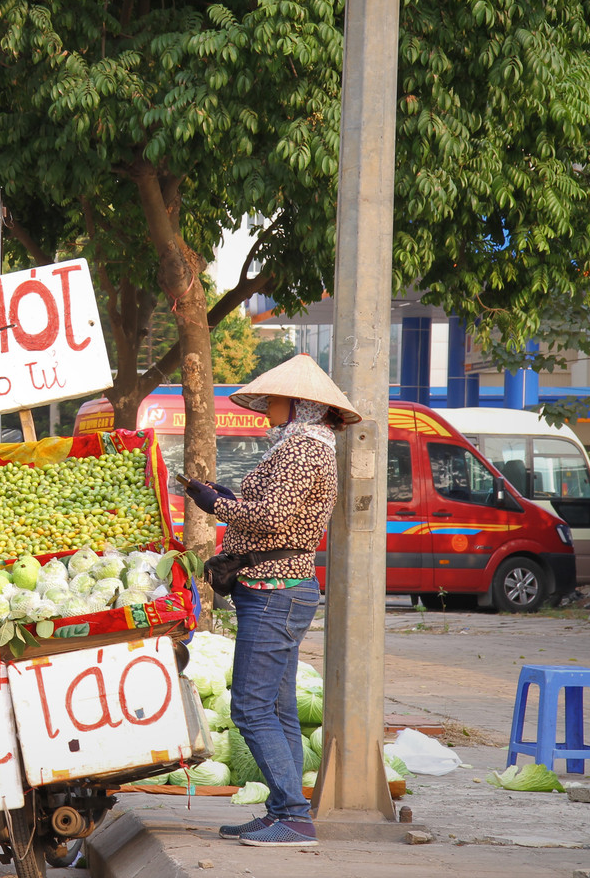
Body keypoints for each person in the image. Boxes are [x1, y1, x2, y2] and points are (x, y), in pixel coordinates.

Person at [182, 354, 360, 847]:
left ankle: (295, 817)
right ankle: (284, 809)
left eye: (273, 401)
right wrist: (227, 498)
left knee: (251, 709)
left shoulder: (305, 451)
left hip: (275, 592)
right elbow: (267, 511)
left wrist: (216, 505)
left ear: (299, 404)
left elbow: (274, 521)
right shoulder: (300, 447)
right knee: (278, 708)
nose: (266, 410)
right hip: (276, 589)